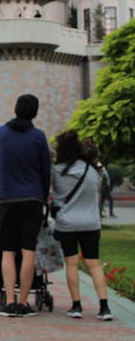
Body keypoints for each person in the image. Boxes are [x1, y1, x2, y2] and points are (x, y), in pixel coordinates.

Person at [0, 93, 50, 317]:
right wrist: (44, 195)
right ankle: (23, 302)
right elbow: (45, 171)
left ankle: (9, 301)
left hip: (8, 199)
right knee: (28, 250)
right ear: (35, 113)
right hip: (33, 200)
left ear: (14, 109)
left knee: (8, 251)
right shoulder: (39, 137)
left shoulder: (0, 134)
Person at [52, 130, 113, 321]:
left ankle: (76, 305)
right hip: (91, 222)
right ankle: (104, 307)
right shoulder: (93, 170)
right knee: (94, 263)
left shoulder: (57, 171)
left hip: (67, 223)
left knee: (71, 263)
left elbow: (54, 194)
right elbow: (101, 186)